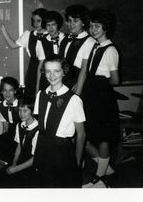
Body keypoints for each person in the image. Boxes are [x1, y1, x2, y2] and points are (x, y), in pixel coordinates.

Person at [33, 55, 86, 188]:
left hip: (62, 151)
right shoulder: (40, 95)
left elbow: (81, 135)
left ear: (64, 72)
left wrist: (77, 162)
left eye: (56, 71)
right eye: (48, 71)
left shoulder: (74, 100)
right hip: (43, 148)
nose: (51, 75)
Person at [82, 9, 120, 188]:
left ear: (105, 27)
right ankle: (106, 168)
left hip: (103, 97)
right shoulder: (95, 46)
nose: (93, 29)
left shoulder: (110, 50)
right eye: (91, 26)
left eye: (97, 26)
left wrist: (99, 83)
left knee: (104, 137)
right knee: (87, 137)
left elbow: (115, 79)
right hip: (90, 96)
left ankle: (99, 177)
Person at [0, 8, 49, 99]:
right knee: (31, 98)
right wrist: (3, 29)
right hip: (33, 69)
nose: (36, 23)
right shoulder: (28, 35)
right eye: (34, 20)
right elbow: (13, 45)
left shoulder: (52, 35)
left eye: (38, 21)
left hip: (49, 70)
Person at [0, 97, 39, 188]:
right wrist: (14, 162)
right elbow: (19, 146)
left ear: (32, 111)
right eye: (20, 110)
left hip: (32, 165)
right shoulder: (20, 125)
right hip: (21, 160)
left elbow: (36, 158)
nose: (21, 114)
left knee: (8, 185)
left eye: (25, 111)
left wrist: (16, 169)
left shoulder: (38, 130)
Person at [59, 4, 95, 97]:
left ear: (83, 22)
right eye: (69, 21)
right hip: (62, 80)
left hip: (77, 82)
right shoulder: (65, 39)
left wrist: (79, 88)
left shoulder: (89, 41)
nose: (71, 24)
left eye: (75, 21)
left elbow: (84, 69)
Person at [38, 10, 66, 91]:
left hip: (64, 78)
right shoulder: (42, 41)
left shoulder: (67, 39)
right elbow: (41, 65)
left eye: (53, 24)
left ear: (58, 25)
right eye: (48, 25)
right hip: (48, 78)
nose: (50, 28)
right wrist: (38, 88)